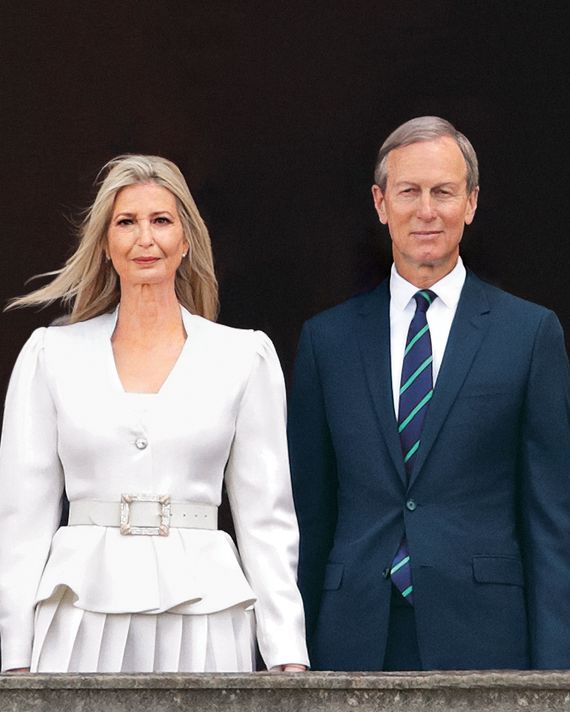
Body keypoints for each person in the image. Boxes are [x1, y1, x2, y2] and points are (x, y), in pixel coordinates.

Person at [0, 154, 309, 673]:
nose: (145, 237)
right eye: (127, 222)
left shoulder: (243, 356)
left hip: (205, 613)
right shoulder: (51, 355)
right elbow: (21, 520)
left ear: (186, 240)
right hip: (78, 613)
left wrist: (286, 652)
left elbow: (267, 519)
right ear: (106, 244)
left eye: (161, 220)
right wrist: (15, 656)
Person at [288, 116, 570, 671]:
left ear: (470, 202)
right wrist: (287, 649)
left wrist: (557, 672)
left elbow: (551, 519)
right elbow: (307, 515)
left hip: (487, 634)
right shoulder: (327, 340)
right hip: (352, 634)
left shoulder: (529, 334)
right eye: (408, 191)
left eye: (443, 192)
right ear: (379, 201)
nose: (426, 210)